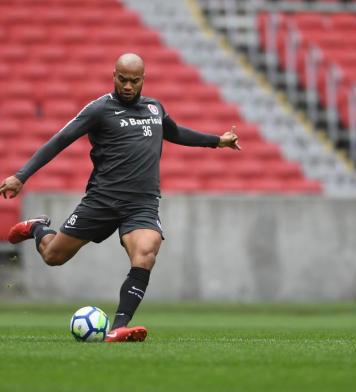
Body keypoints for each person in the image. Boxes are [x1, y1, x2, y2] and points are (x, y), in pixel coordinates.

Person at [0, 53, 240, 342]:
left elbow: (174, 132)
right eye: (122, 79)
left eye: (134, 81)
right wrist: (21, 175)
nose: (127, 86)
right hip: (102, 200)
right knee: (53, 256)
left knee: (146, 254)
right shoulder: (99, 109)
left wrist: (217, 141)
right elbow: (60, 140)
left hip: (142, 203)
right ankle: (38, 227)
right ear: (113, 75)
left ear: (143, 79)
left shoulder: (154, 107)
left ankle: (118, 327)